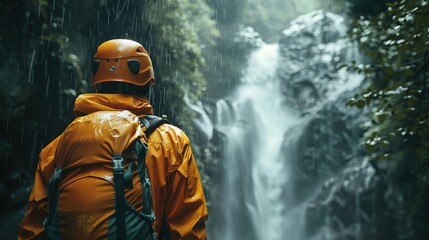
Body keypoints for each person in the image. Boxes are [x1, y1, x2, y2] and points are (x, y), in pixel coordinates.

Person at [18, 39, 208, 239]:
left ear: (97, 85)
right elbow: (188, 228)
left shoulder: (59, 146)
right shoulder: (171, 142)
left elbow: (33, 228)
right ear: (148, 86)